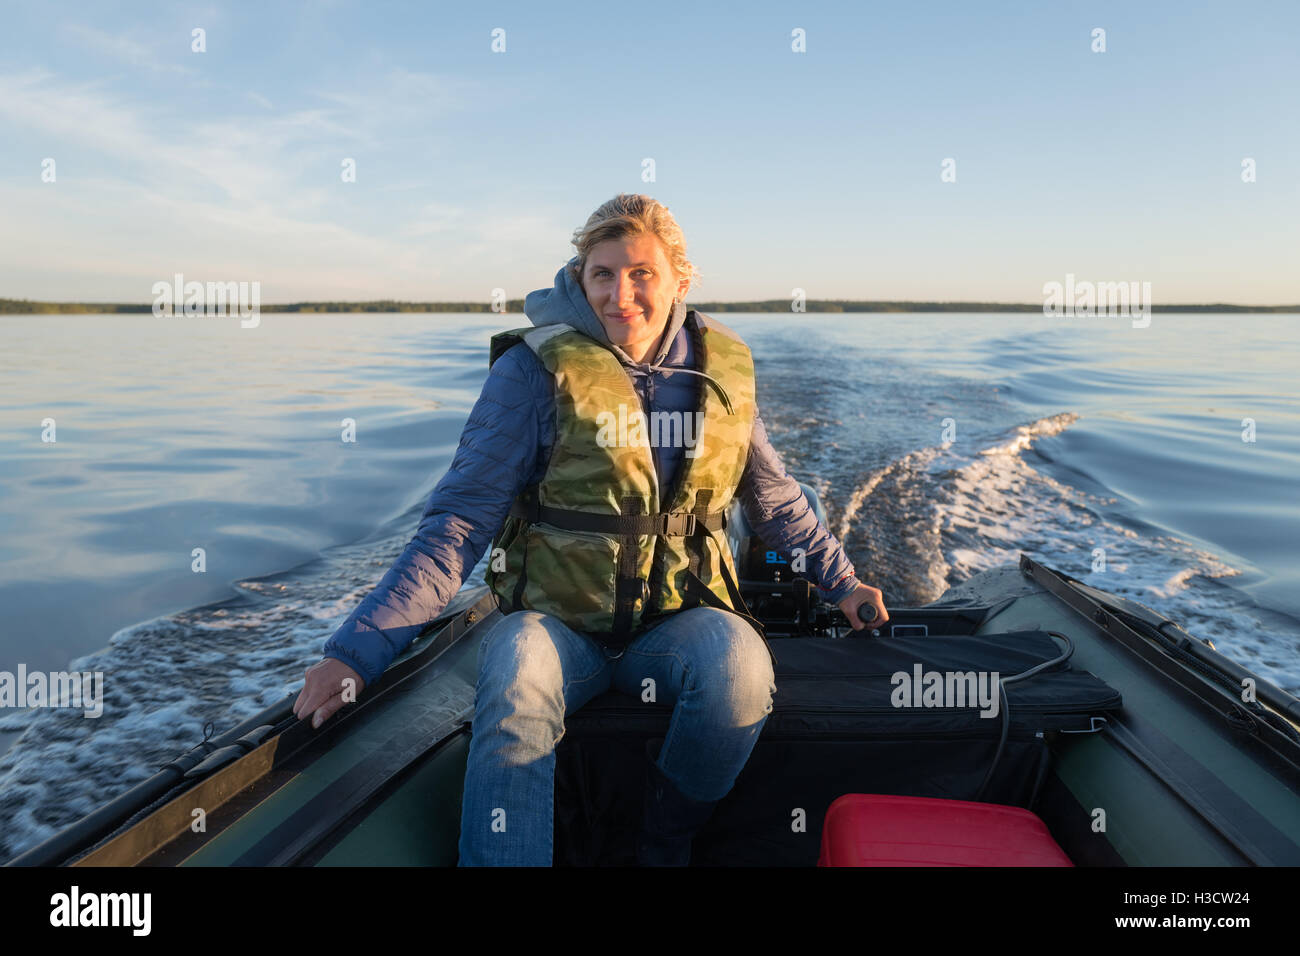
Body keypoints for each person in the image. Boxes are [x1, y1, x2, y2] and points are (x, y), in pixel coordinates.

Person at [292, 193, 888, 865]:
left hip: (676, 625)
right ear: (580, 277)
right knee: (517, 669)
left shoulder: (721, 374)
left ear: (681, 282)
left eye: (641, 274)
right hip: (555, 626)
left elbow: (776, 503)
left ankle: (662, 841)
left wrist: (842, 583)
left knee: (740, 667)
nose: (619, 294)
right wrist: (354, 655)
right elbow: (458, 524)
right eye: (601, 274)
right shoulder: (531, 372)